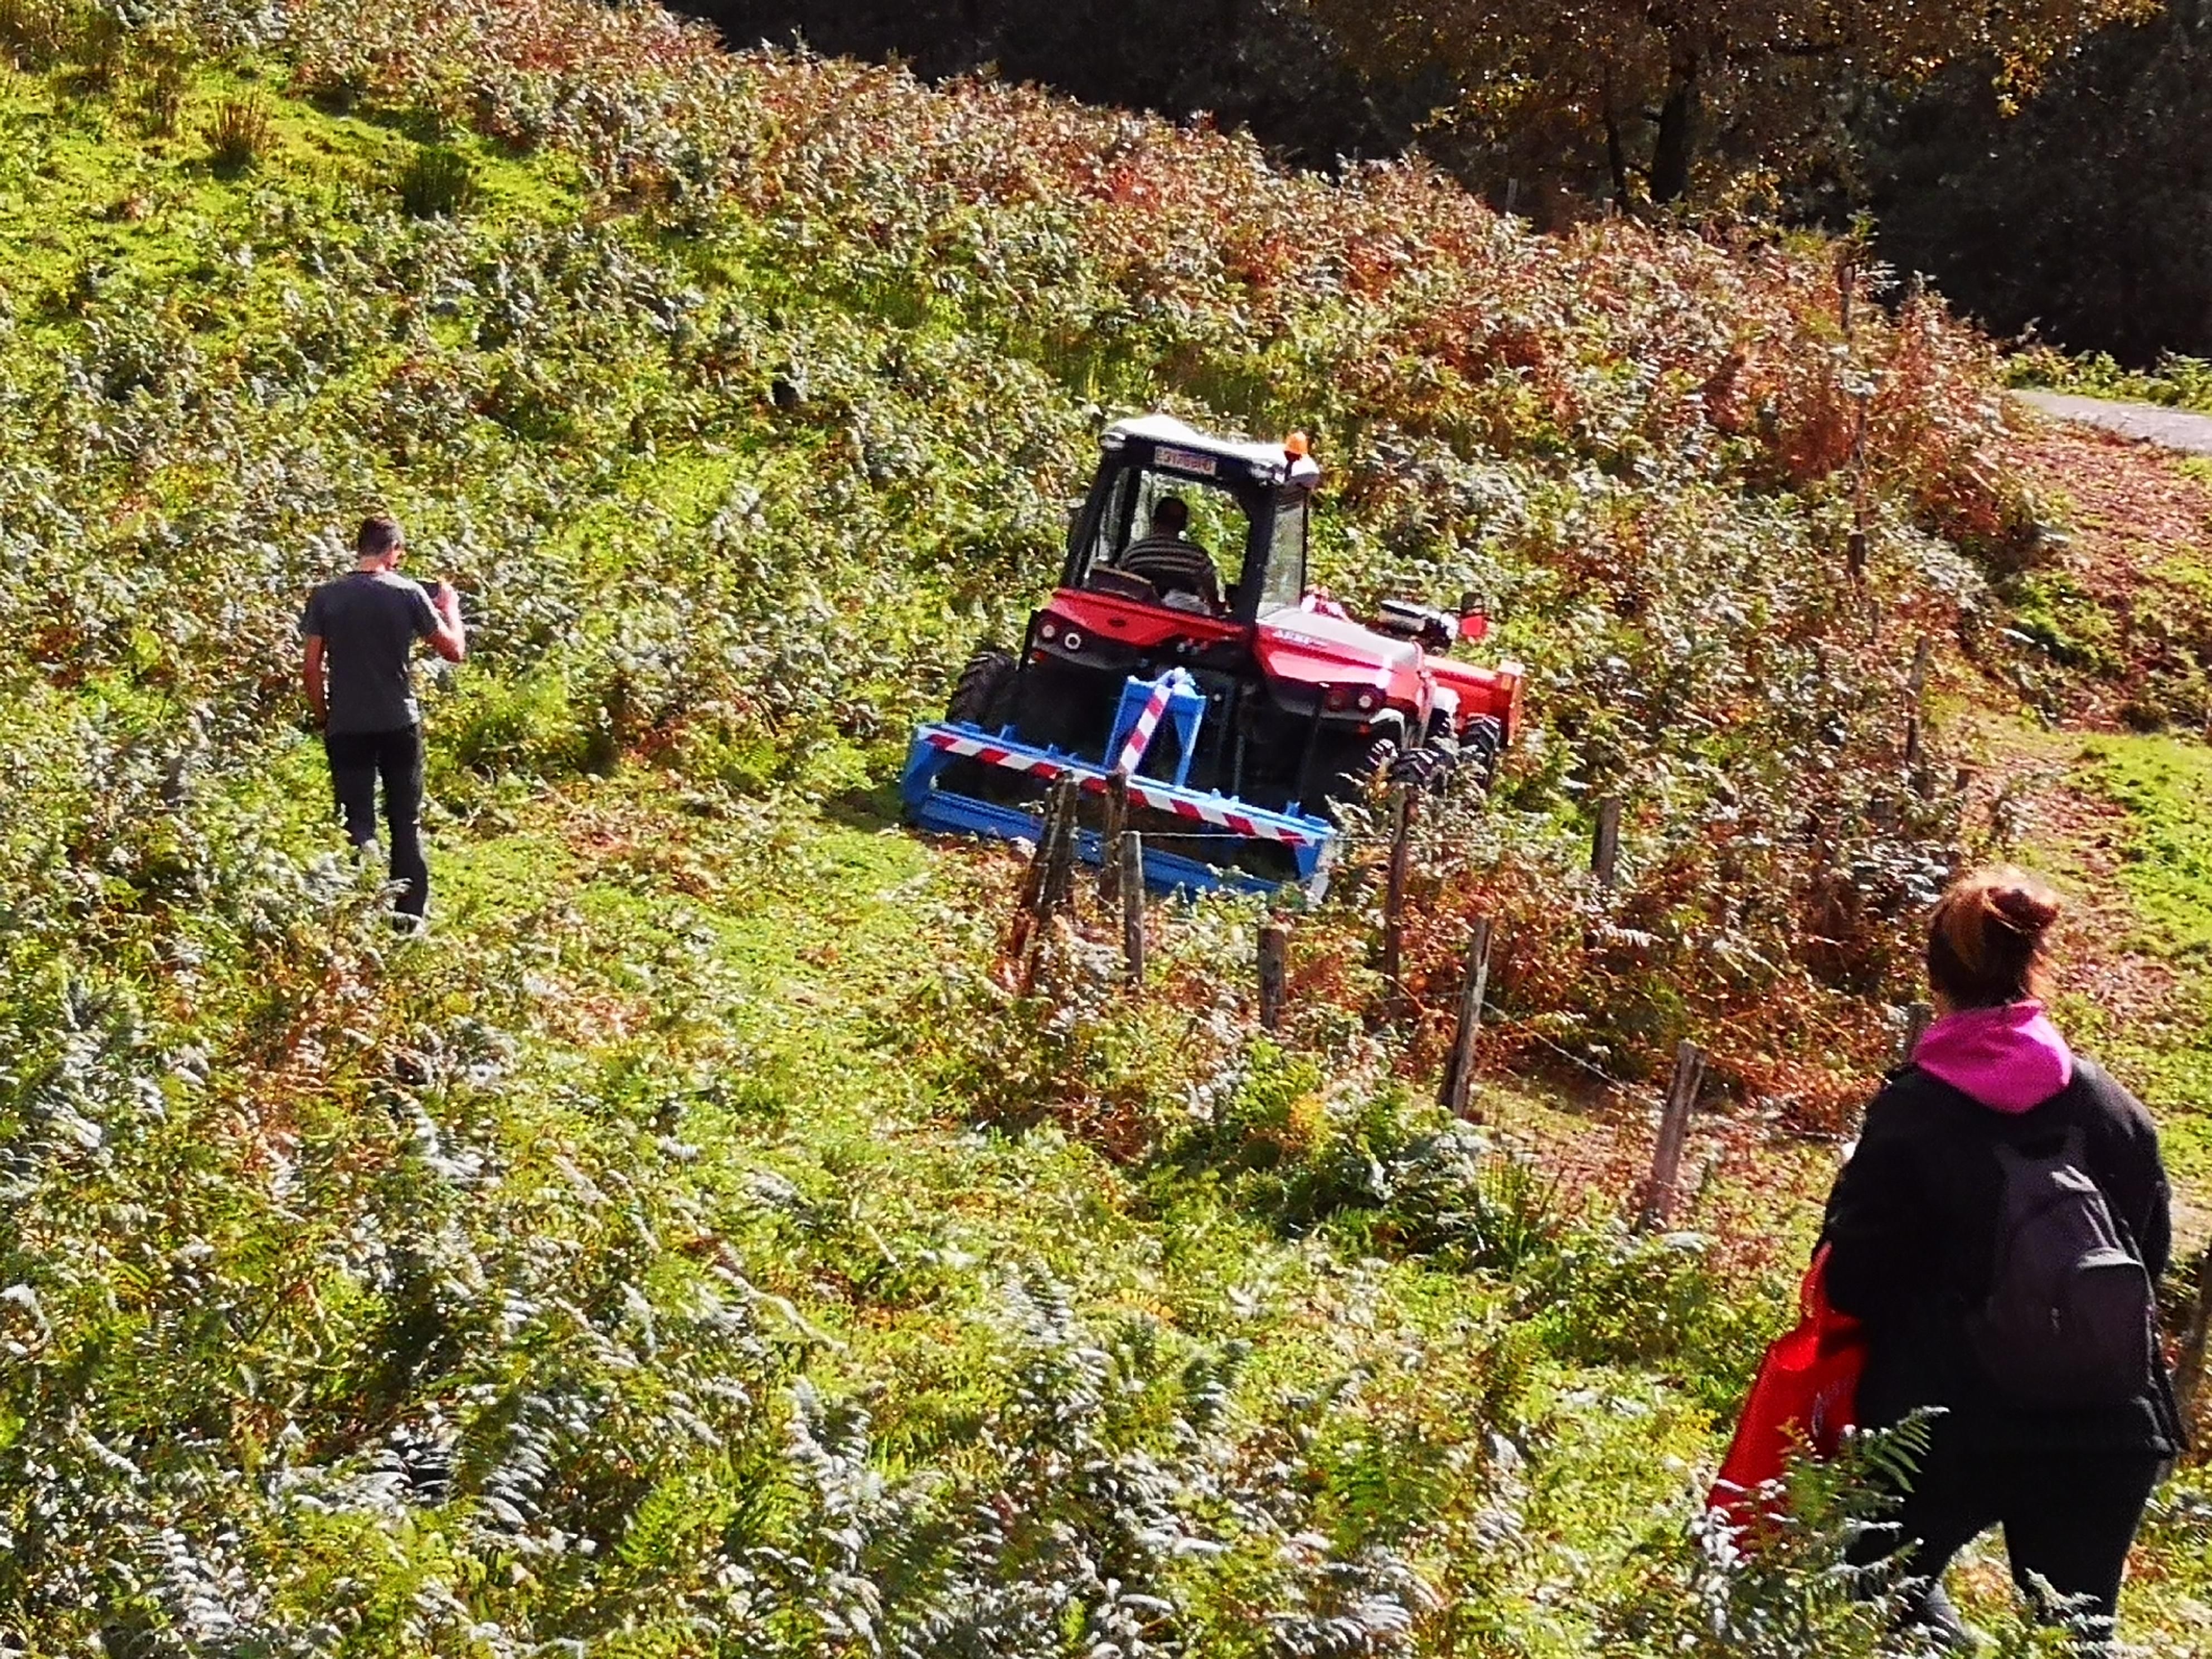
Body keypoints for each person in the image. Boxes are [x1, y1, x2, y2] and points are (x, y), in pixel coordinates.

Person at [1820, 867, 2181, 1649]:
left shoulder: (1914, 1110)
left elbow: (1853, 1278)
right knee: (2077, 1638)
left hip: (1945, 1423)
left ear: (1936, 978)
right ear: (2036, 965)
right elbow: (2148, 1263)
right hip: (2108, 1425)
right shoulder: (2112, 1107)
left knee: (1874, 1597)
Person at [300, 515, 466, 924]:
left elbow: (311, 667)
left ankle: (364, 911)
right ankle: (409, 917)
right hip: (398, 722)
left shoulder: (326, 597)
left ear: (360, 548)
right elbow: (454, 651)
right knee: (405, 821)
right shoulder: (408, 592)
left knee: (357, 821)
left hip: (347, 725)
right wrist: (450, 608)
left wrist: (323, 716)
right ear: (394, 550)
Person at [1115, 495, 1223, 611]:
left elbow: (1120, 585)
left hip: (1139, 613)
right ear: (1183, 526)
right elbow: (1212, 595)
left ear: (1154, 519)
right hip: (1183, 618)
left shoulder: (1133, 552)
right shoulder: (1197, 556)